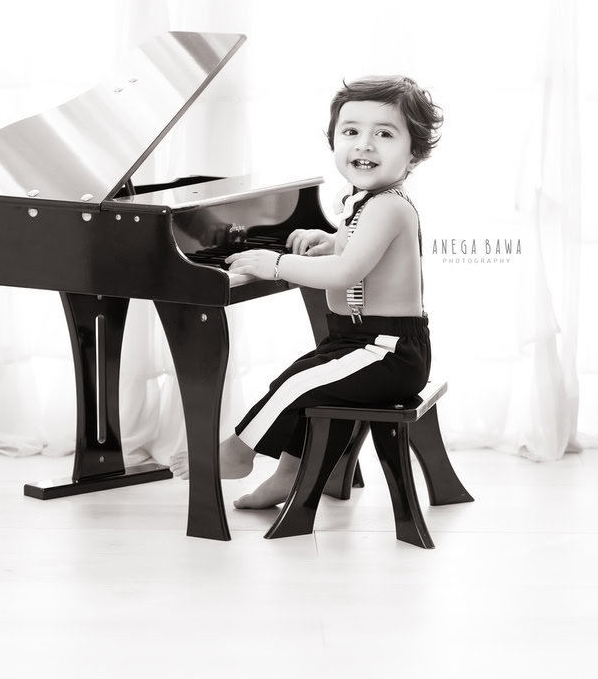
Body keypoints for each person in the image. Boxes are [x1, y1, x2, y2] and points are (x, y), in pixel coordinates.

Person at [170, 75, 443, 509]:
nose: (364, 145)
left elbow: (348, 272)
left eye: (384, 134)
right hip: (358, 340)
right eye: (351, 131)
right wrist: (329, 241)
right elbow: (359, 250)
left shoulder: (388, 206)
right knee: (297, 380)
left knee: (298, 384)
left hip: (389, 350)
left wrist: (275, 263)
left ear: (414, 153)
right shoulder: (367, 201)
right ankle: (287, 474)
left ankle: (238, 453)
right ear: (334, 139)